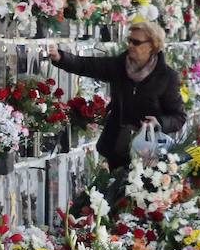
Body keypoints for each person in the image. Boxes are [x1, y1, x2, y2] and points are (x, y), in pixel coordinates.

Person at [48, 21, 186, 169]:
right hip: (117, 149)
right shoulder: (120, 66)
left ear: (152, 46)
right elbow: (88, 65)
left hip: (149, 155)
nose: (131, 45)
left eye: (136, 42)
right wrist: (60, 57)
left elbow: (179, 117)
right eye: (129, 41)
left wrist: (159, 122)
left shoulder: (166, 77)